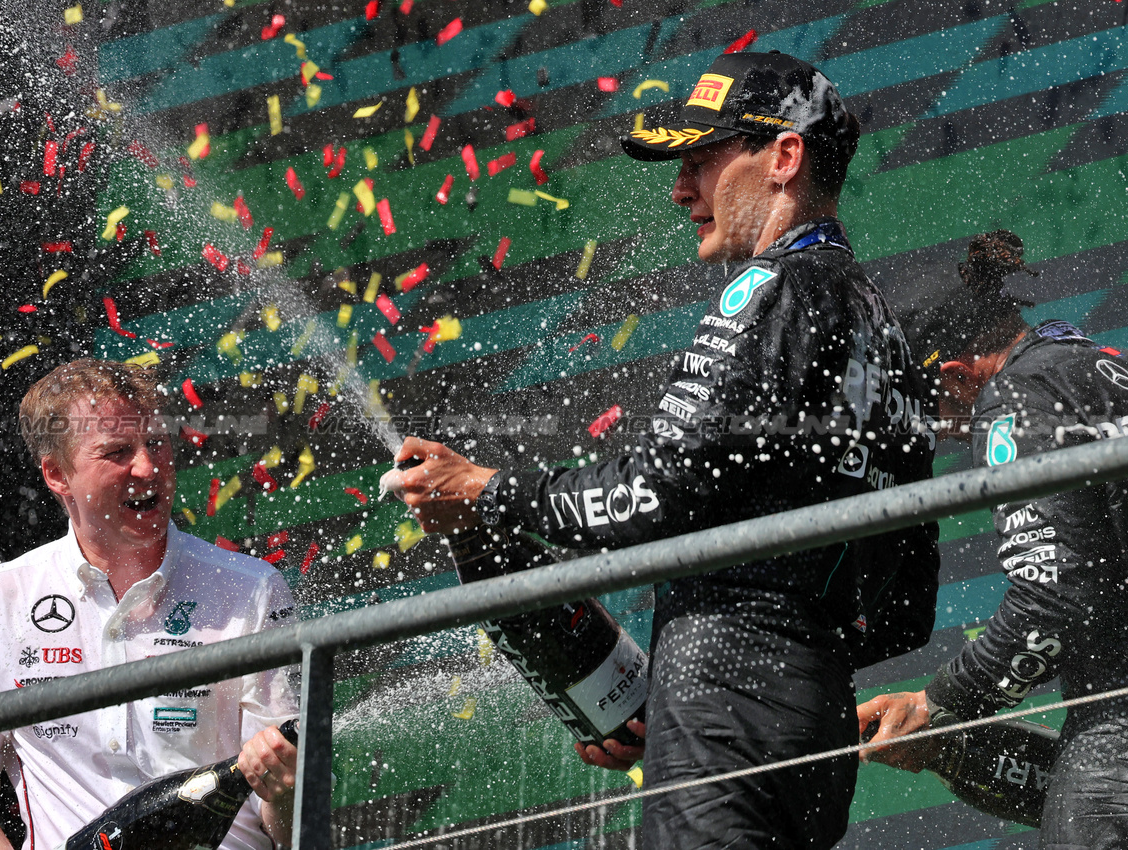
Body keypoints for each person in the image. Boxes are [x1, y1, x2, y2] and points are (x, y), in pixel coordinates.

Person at [383, 51, 940, 848]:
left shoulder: (771, 291)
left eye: (702, 160)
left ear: (783, 157)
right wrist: (755, 673)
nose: (681, 188)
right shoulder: (877, 320)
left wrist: (483, 489)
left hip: (730, 706)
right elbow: (905, 607)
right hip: (810, 725)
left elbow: (655, 491)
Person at [858, 231, 1128, 846]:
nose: (934, 430)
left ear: (952, 373)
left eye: (926, 406)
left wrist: (940, 703)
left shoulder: (1014, 400)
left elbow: (1053, 601)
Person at [0, 360, 301, 850]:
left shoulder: (253, 590)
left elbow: (293, 824)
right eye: (116, 452)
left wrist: (284, 790)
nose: (148, 467)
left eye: (156, 442)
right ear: (56, 474)